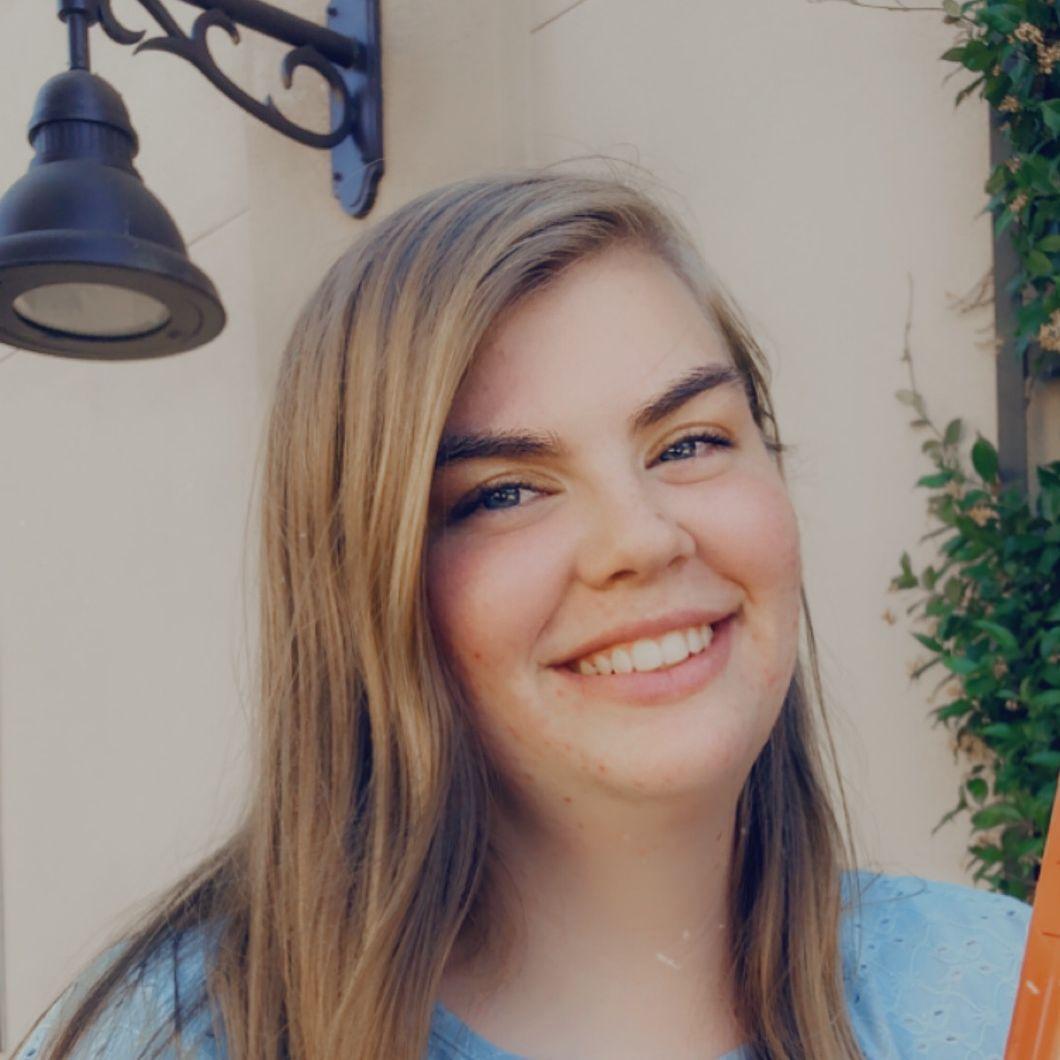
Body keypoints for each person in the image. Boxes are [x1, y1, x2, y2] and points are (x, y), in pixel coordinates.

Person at [13, 169, 1031, 1060]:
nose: (641, 538)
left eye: (688, 442)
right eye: (503, 492)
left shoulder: (1003, 993)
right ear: (367, 587)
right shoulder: (174, 1036)